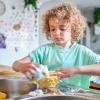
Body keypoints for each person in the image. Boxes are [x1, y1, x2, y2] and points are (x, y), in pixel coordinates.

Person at [12, 2, 100, 89]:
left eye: (62, 28)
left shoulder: (82, 52)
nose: (56, 33)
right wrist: (22, 66)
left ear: (73, 30)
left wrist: (78, 70)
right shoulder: (44, 51)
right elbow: (15, 64)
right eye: (52, 29)